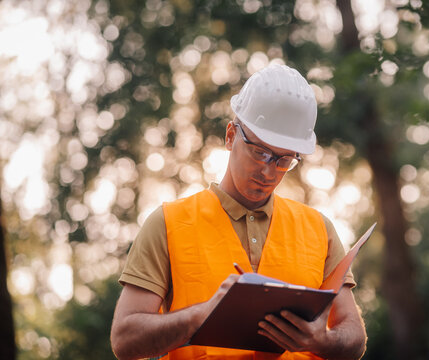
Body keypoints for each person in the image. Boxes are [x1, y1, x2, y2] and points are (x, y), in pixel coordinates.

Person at [110, 64, 367, 360]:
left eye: (284, 160)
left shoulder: (319, 230)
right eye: (259, 152)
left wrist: (319, 340)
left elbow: (354, 337)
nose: (268, 170)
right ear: (231, 135)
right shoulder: (167, 224)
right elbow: (125, 340)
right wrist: (202, 315)